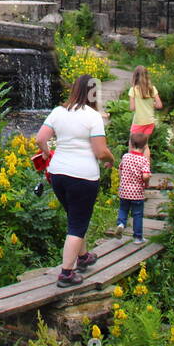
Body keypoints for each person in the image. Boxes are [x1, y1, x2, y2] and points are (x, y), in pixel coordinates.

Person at [35, 74, 115, 287]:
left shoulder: (58, 112)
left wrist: (46, 152)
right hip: (83, 177)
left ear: (74, 89)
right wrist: (111, 158)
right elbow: (100, 151)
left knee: (75, 217)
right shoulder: (93, 116)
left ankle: (84, 256)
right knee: (77, 225)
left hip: (58, 174)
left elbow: (40, 139)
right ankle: (67, 274)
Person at [116, 132, 153, 244]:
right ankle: (137, 238)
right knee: (137, 214)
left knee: (123, 209)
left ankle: (121, 223)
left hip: (124, 191)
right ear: (145, 146)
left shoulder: (125, 157)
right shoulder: (143, 160)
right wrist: (146, 182)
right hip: (137, 193)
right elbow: (145, 175)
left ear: (131, 144)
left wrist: (122, 180)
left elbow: (120, 170)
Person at [127, 65, 162, 156]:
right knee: (145, 145)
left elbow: (132, 108)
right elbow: (159, 105)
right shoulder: (152, 89)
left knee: (132, 144)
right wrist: (151, 104)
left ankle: (130, 167)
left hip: (139, 121)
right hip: (150, 121)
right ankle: (146, 167)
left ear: (135, 76)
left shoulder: (133, 90)